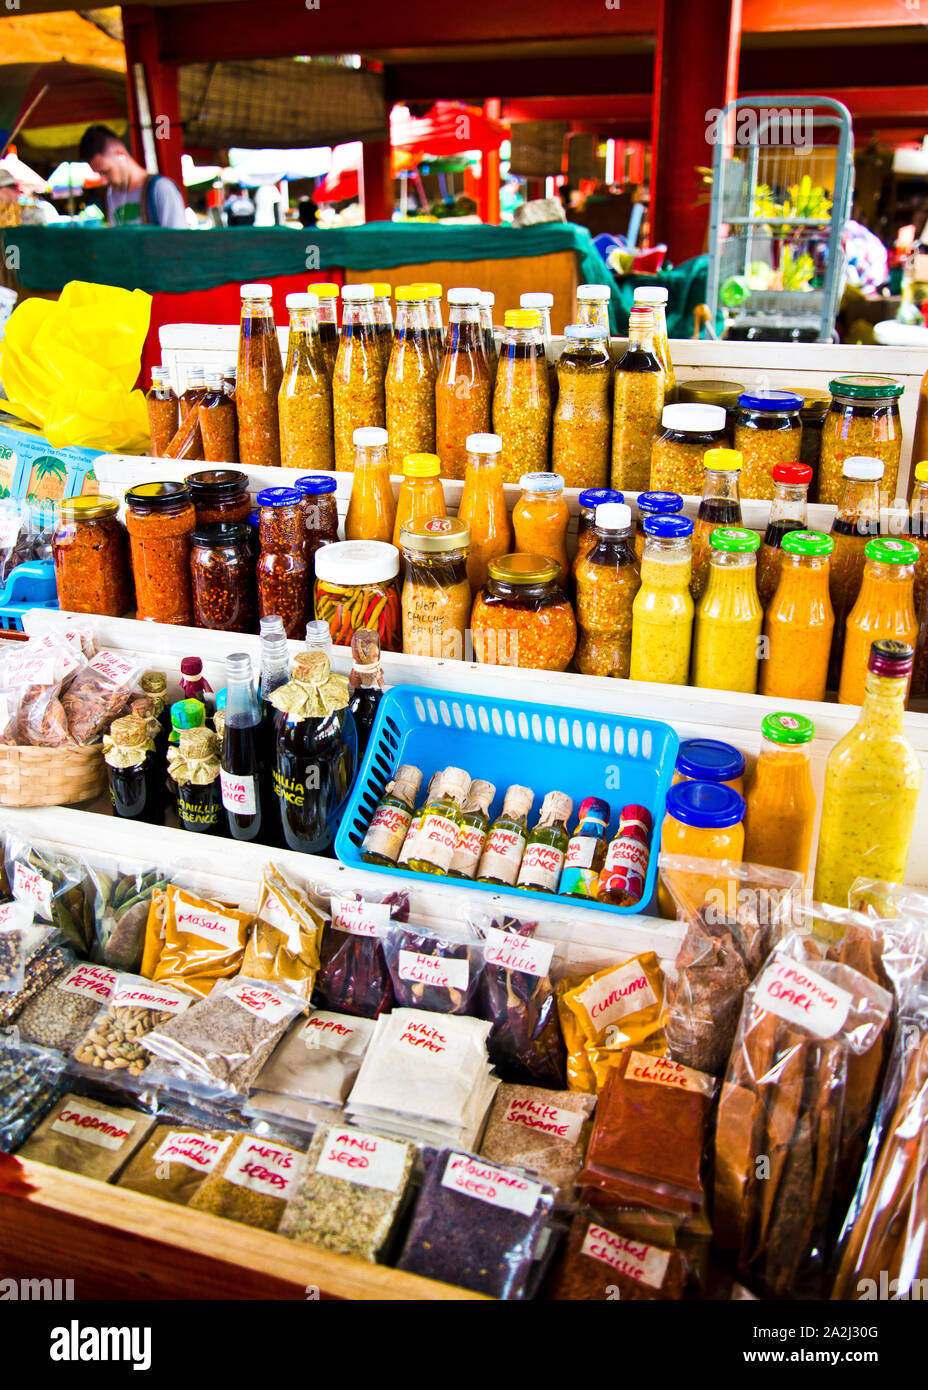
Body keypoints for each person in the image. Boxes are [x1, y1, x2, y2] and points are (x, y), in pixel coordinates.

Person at [78, 124, 186, 228]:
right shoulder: (112, 195)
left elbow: (177, 241)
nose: (103, 181)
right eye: (99, 173)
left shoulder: (161, 189)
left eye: (106, 172)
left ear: (121, 155)